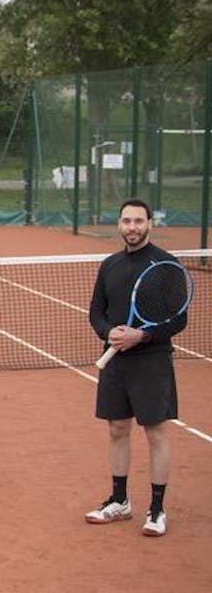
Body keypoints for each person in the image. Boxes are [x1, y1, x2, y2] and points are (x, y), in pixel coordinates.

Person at [84, 199, 185, 537]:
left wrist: (141, 335)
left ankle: (156, 509)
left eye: (138, 221)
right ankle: (119, 500)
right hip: (115, 361)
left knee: (155, 433)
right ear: (119, 224)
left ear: (149, 224)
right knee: (116, 430)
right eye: (126, 221)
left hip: (151, 361)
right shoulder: (110, 265)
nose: (132, 227)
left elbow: (178, 318)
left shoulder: (166, 265)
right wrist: (107, 332)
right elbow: (97, 310)